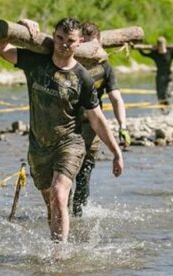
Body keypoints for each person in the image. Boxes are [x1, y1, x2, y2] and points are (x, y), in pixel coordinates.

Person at [0, 17, 123, 243]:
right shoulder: (33, 61)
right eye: (59, 38)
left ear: (79, 43)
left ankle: (59, 256)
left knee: (60, 193)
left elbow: (97, 118)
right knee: (52, 201)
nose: (63, 44)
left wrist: (116, 152)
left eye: (69, 40)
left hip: (69, 143)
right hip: (39, 147)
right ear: (53, 36)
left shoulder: (83, 78)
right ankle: (58, 241)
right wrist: (21, 26)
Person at [72, 21, 129, 217]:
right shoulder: (68, 63)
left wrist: (123, 126)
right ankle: (61, 211)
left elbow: (116, 97)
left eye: (94, 47)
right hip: (67, 123)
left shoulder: (106, 67)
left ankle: (78, 214)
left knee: (84, 172)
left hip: (92, 126)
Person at [138, 36, 173, 107]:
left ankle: (169, 105)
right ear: (157, 46)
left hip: (168, 76)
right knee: (160, 95)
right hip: (159, 77)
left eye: (162, 45)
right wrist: (139, 49)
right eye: (160, 46)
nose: (161, 48)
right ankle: (163, 110)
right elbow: (144, 54)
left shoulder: (170, 53)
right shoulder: (155, 54)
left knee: (167, 93)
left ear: (165, 45)